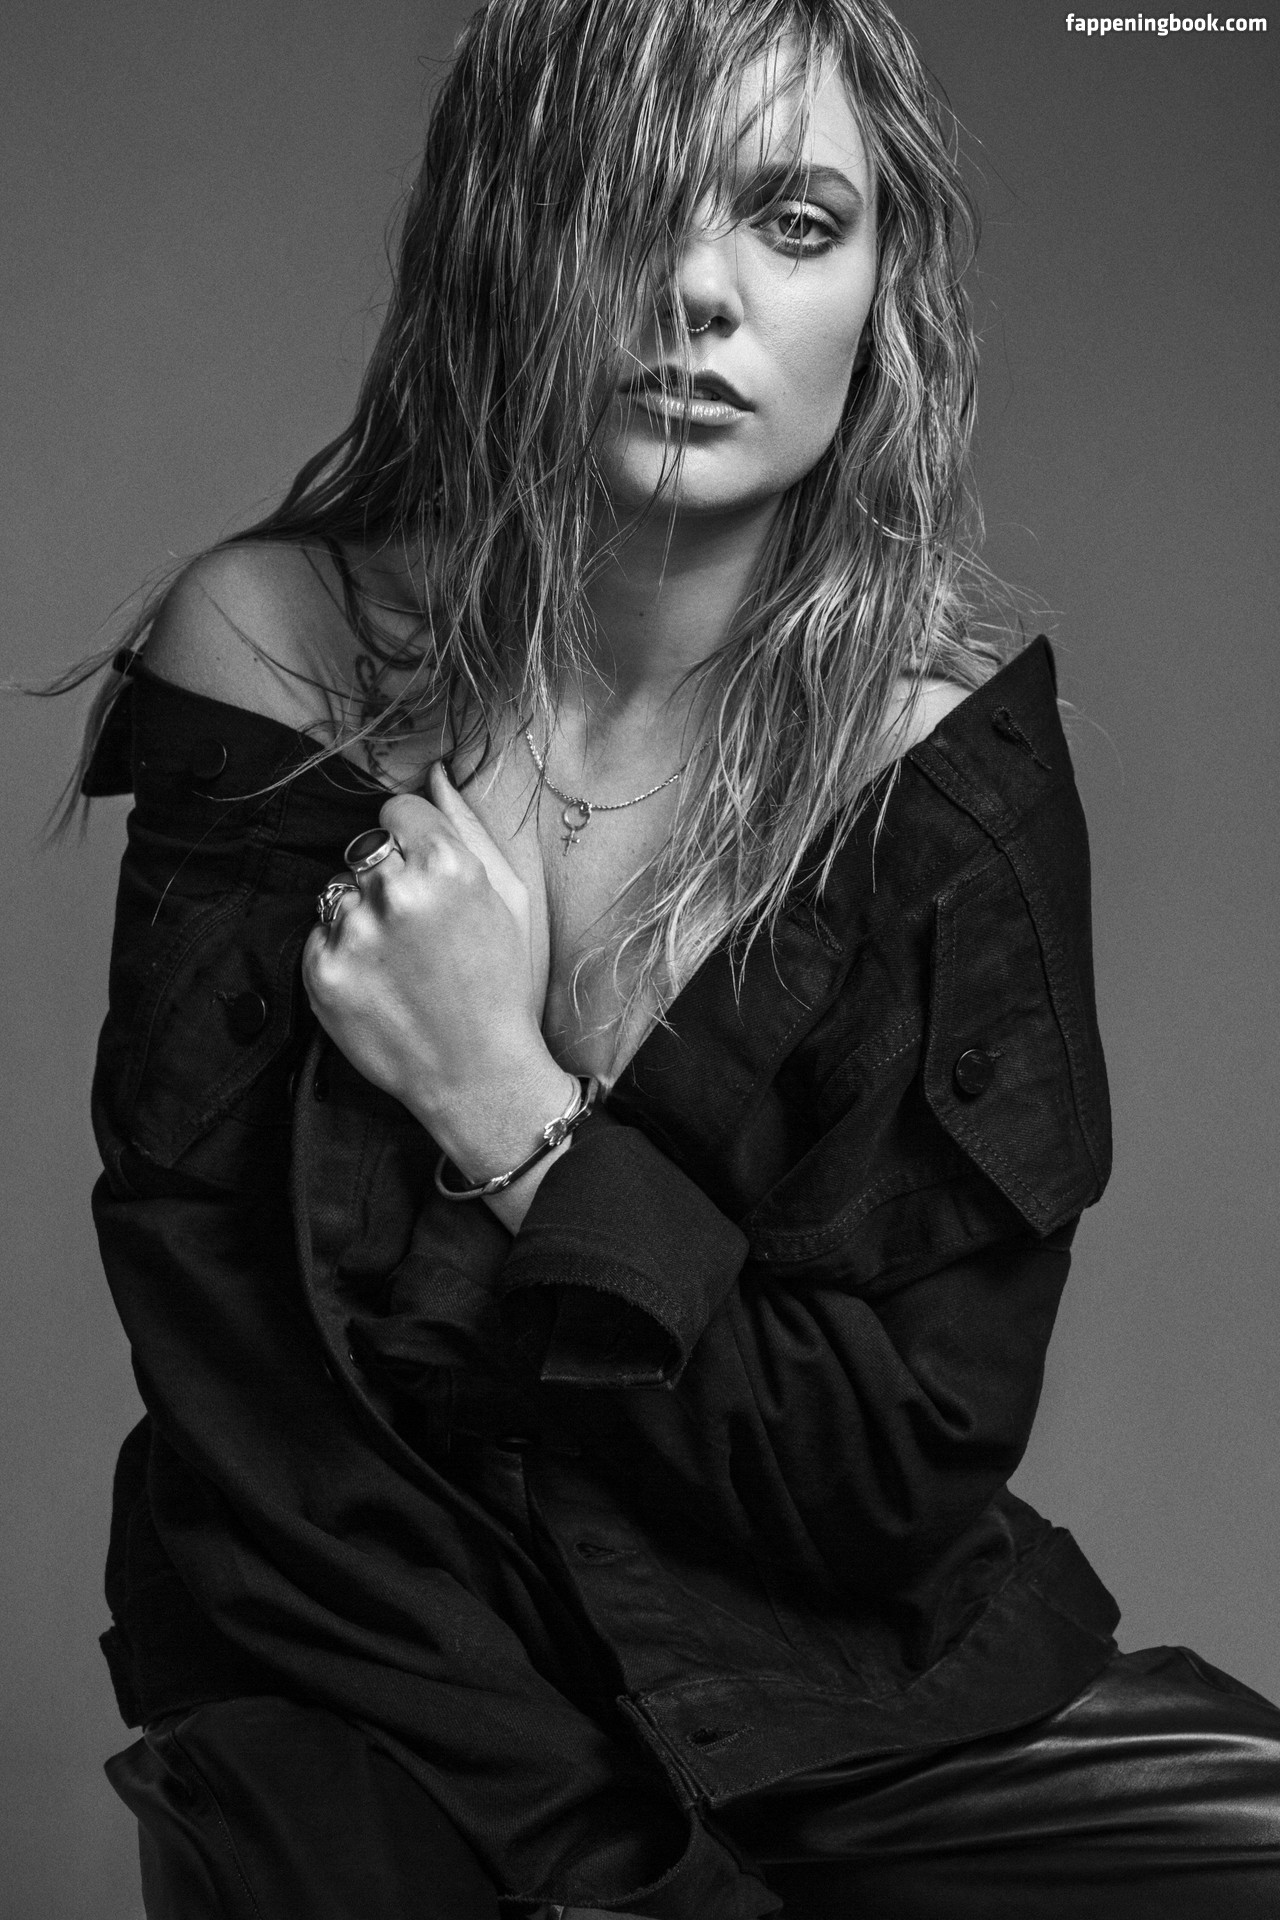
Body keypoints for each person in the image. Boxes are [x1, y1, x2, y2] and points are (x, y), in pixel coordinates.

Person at [70, 0, 1279, 1914]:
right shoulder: (283, 660)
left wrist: (503, 1105)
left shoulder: (936, 776)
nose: (701, 291)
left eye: (794, 221)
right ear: (503, 235)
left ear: (881, 290)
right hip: (375, 1687)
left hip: (824, 1689)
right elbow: (254, 1414)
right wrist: (629, 1882)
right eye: (627, 204)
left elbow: (896, 1469)